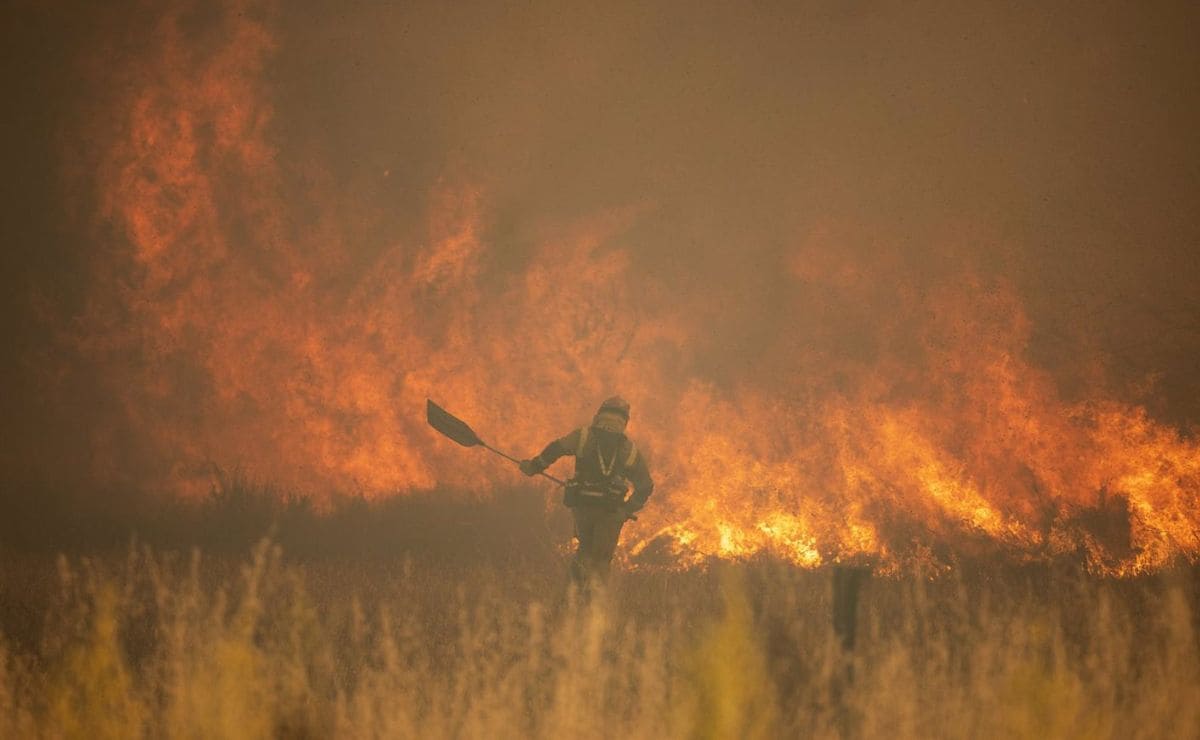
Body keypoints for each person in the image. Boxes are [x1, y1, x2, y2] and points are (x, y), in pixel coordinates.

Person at [519, 396, 654, 585]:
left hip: (583, 508)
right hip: (611, 514)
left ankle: (573, 599)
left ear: (599, 415)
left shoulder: (583, 436)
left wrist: (535, 466)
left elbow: (556, 449)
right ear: (625, 421)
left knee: (584, 553)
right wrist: (626, 509)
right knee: (601, 561)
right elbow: (646, 486)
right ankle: (593, 606)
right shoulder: (628, 450)